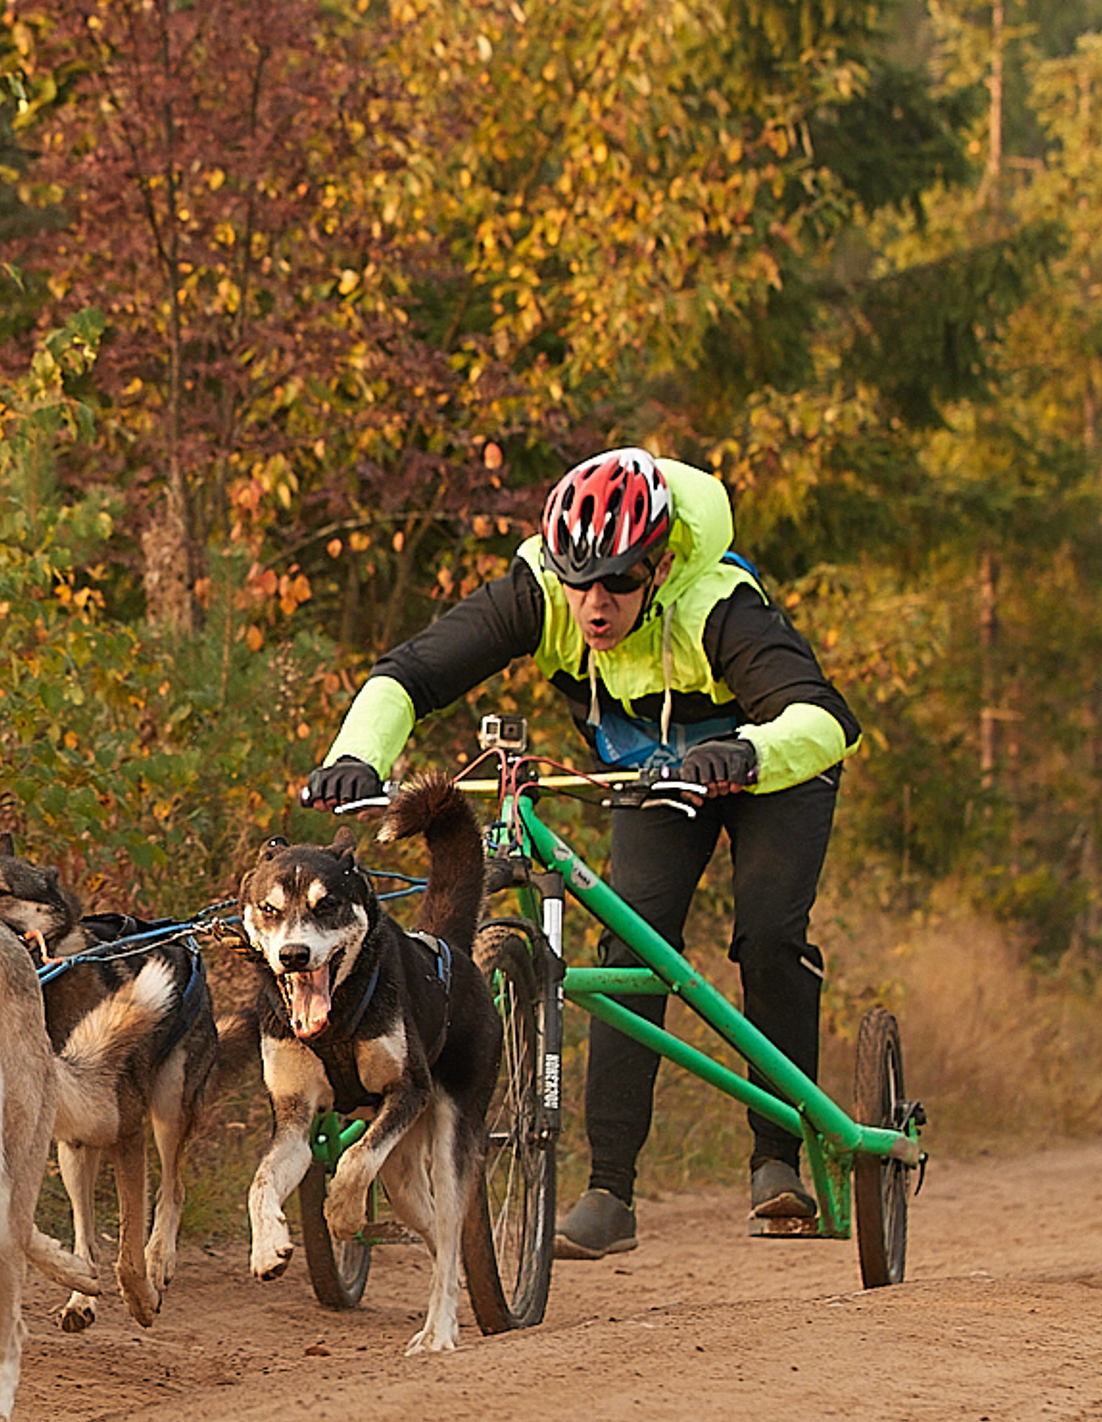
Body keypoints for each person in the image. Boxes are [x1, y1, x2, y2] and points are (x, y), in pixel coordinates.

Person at [300, 447, 860, 1257]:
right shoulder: (539, 592)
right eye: (579, 583)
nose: (595, 607)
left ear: (660, 566)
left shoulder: (719, 603)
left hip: (772, 768)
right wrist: (360, 756)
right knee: (634, 939)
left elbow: (824, 717)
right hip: (654, 779)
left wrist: (743, 753)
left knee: (767, 936)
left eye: (621, 585)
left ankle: (777, 1162)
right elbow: (409, 676)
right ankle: (609, 1194)